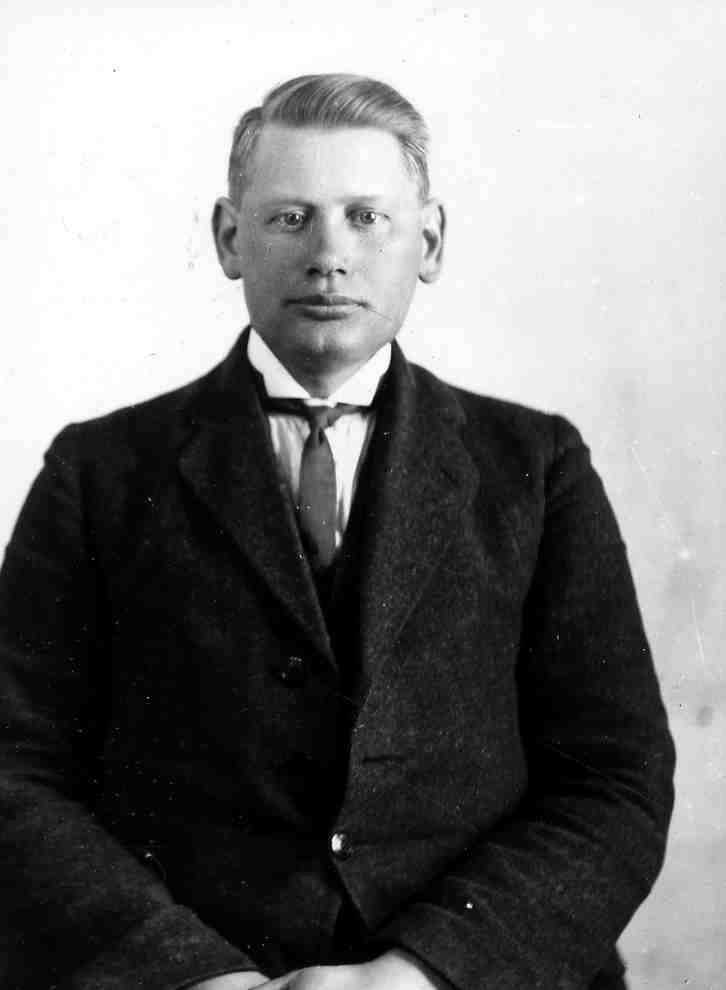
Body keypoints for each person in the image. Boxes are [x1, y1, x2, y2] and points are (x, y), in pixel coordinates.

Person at [0, 74, 674, 990]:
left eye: (367, 218)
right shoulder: (99, 472)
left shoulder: (537, 466)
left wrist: (416, 975)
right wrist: (192, 976)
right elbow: (16, 771)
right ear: (228, 238)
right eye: (290, 219)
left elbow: (615, 778)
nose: (329, 256)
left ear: (428, 243)